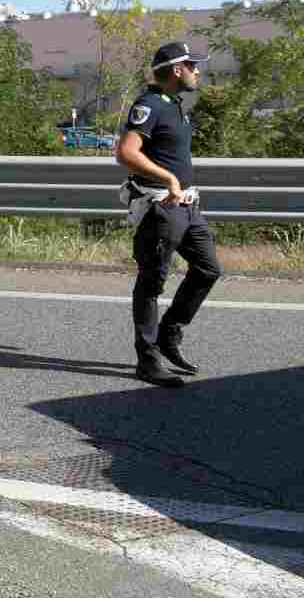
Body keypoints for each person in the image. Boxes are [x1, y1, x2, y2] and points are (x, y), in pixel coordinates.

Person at [116, 42, 222, 388]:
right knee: (151, 282)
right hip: (162, 207)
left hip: (187, 206)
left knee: (208, 269)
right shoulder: (149, 105)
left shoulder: (175, 105)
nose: (197, 71)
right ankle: (147, 361)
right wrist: (169, 178)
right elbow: (126, 153)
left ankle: (168, 335)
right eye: (192, 66)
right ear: (177, 70)